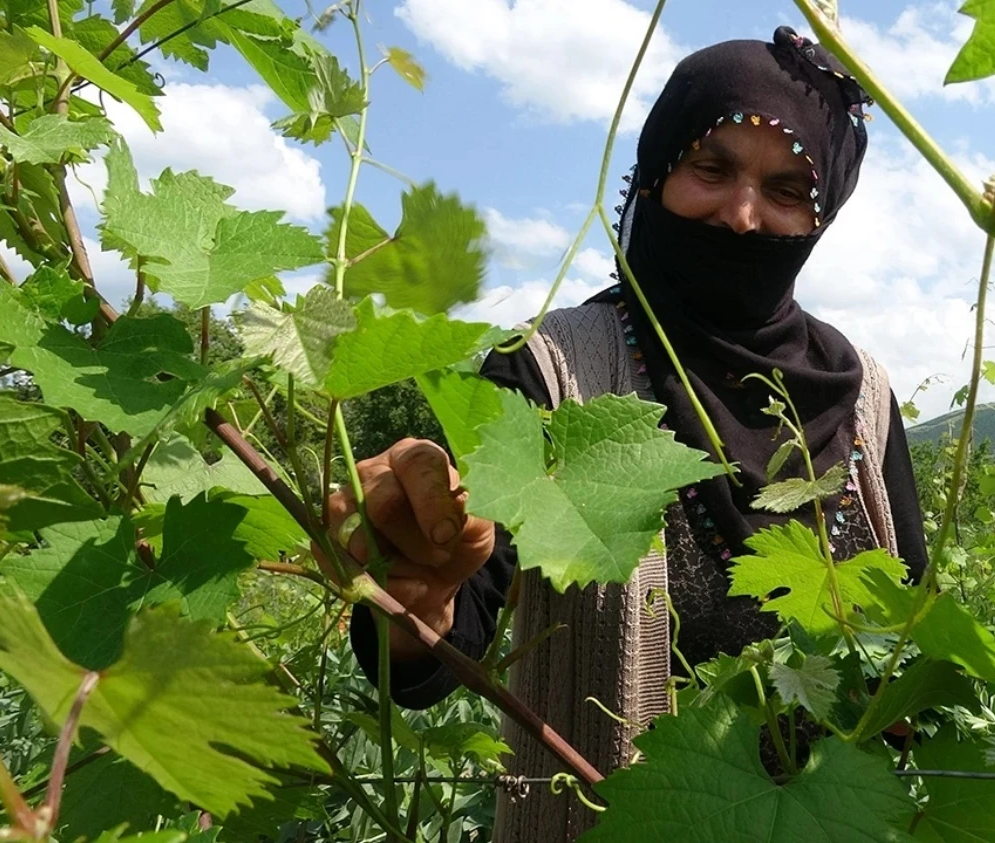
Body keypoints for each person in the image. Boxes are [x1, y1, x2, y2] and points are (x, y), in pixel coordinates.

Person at [325, 26, 929, 841]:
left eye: (788, 191)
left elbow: (907, 630)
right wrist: (418, 590)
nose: (743, 217)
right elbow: (445, 628)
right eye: (711, 169)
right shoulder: (550, 369)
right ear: (651, 175)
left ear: (822, 217)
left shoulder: (865, 395)